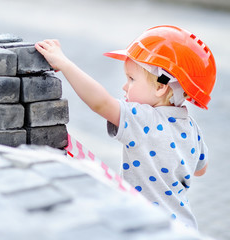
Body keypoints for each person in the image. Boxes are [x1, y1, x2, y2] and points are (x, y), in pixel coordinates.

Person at [35, 25, 216, 229]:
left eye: (131, 79)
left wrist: (65, 64)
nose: (124, 86)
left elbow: (100, 103)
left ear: (160, 87)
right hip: (183, 228)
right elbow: (201, 169)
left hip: (148, 226)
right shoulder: (192, 128)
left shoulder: (143, 119)